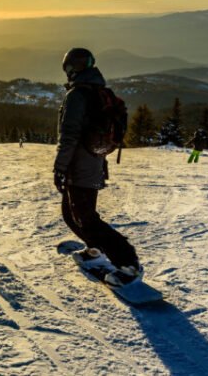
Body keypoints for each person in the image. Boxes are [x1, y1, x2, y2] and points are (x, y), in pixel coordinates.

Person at [54, 47, 142, 287]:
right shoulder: (99, 92)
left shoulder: (78, 96)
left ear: (71, 68)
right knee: (72, 214)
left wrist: (59, 167)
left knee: (86, 218)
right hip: (92, 162)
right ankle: (95, 249)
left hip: (80, 165)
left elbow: (69, 135)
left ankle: (128, 262)